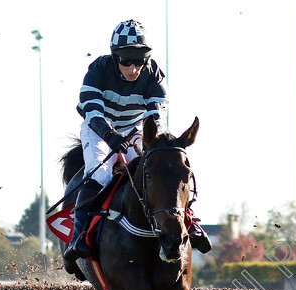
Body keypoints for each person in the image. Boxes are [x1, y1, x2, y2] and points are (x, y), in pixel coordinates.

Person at [64, 19, 212, 264]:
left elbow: (156, 115)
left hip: (135, 129)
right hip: (98, 130)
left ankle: (190, 223)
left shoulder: (154, 74)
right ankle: (78, 237)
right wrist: (111, 136)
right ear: (115, 57)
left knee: (160, 172)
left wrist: (154, 142)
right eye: (126, 60)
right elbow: (92, 113)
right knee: (100, 173)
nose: (133, 68)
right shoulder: (98, 69)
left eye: (139, 61)